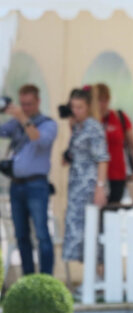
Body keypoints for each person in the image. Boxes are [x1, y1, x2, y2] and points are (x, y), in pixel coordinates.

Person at [0, 84, 57, 275]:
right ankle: (28, 277)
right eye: (22, 104)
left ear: (38, 102)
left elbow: (38, 139)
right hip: (16, 186)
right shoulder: (15, 123)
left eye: (30, 104)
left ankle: (46, 279)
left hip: (37, 185)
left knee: (41, 234)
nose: (25, 108)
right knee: (21, 236)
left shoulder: (48, 123)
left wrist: (22, 118)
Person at [62, 87, 109, 263]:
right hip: (76, 186)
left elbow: (102, 158)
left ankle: (97, 275)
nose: (75, 111)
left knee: (92, 230)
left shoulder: (93, 127)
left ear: (88, 107)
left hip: (89, 185)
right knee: (80, 232)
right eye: (73, 107)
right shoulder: (78, 127)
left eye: (80, 107)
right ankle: (89, 275)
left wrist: (100, 187)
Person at [96, 83, 133, 203]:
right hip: (97, 175)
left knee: (113, 210)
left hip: (117, 174)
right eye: (99, 100)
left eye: (105, 100)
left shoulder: (119, 117)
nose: (102, 104)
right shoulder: (92, 121)